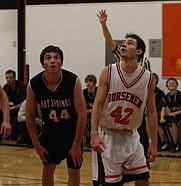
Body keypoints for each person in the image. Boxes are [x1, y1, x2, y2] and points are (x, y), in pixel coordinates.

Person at [91, 30, 157, 185]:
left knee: (143, 178)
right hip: (107, 135)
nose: (124, 44)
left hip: (131, 135)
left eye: (130, 42)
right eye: (124, 42)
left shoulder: (148, 78)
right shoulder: (108, 71)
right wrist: (93, 133)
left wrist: (153, 144)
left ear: (139, 51)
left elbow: (152, 113)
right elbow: (97, 105)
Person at [26, 45, 87, 186]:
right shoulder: (34, 84)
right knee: (47, 169)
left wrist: (76, 145)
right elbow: (29, 116)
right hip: (50, 132)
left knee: (73, 171)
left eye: (56, 58)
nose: (52, 61)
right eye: (48, 58)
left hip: (72, 132)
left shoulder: (73, 80)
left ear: (61, 62)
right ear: (43, 64)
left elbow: (82, 114)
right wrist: (36, 145)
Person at [3, 69, 26, 140]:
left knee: (17, 118)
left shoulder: (21, 86)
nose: (8, 80)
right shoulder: (6, 87)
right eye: (6, 78)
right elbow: (3, 101)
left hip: (20, 110)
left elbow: (23, 103)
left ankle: (15, 136)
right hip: (9, 110)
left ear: (14, 78)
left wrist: (12, 108)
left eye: (10, 77)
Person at [160, 78, 181, 152]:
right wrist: (162, 118)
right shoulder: (166, 97)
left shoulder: (180, 95)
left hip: (179, 115)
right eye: (169, 83)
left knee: (174, 122)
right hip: (172, 115)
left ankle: (175, 143)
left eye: (173, 82)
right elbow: (163, 109)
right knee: (159, 122)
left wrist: (176, 112)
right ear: (167, 86)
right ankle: (165, 142)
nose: (171, 84)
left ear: (177, 85)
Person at [152, 73, 168, 151]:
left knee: (157, 122)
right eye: (152, 78)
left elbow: (162, 104)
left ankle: (163, 142)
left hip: (157, 112)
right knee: (146, 120)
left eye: (155, 78)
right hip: (146, 113)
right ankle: (150, 141)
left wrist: (155, 111)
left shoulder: (160, 92)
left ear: (157, 80)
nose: (153, 79)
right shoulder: (144, 89)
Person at [83, 74, 98, 150]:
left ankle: (96, 141)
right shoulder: (84, 92)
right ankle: (87, 142)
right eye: (87, 81)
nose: (88, 83)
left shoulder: (98, 91)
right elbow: (82, 108)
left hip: (97, 114)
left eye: (90, 81)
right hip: (88, 114)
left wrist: (92, 110)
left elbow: (100, 106)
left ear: (94, 83)